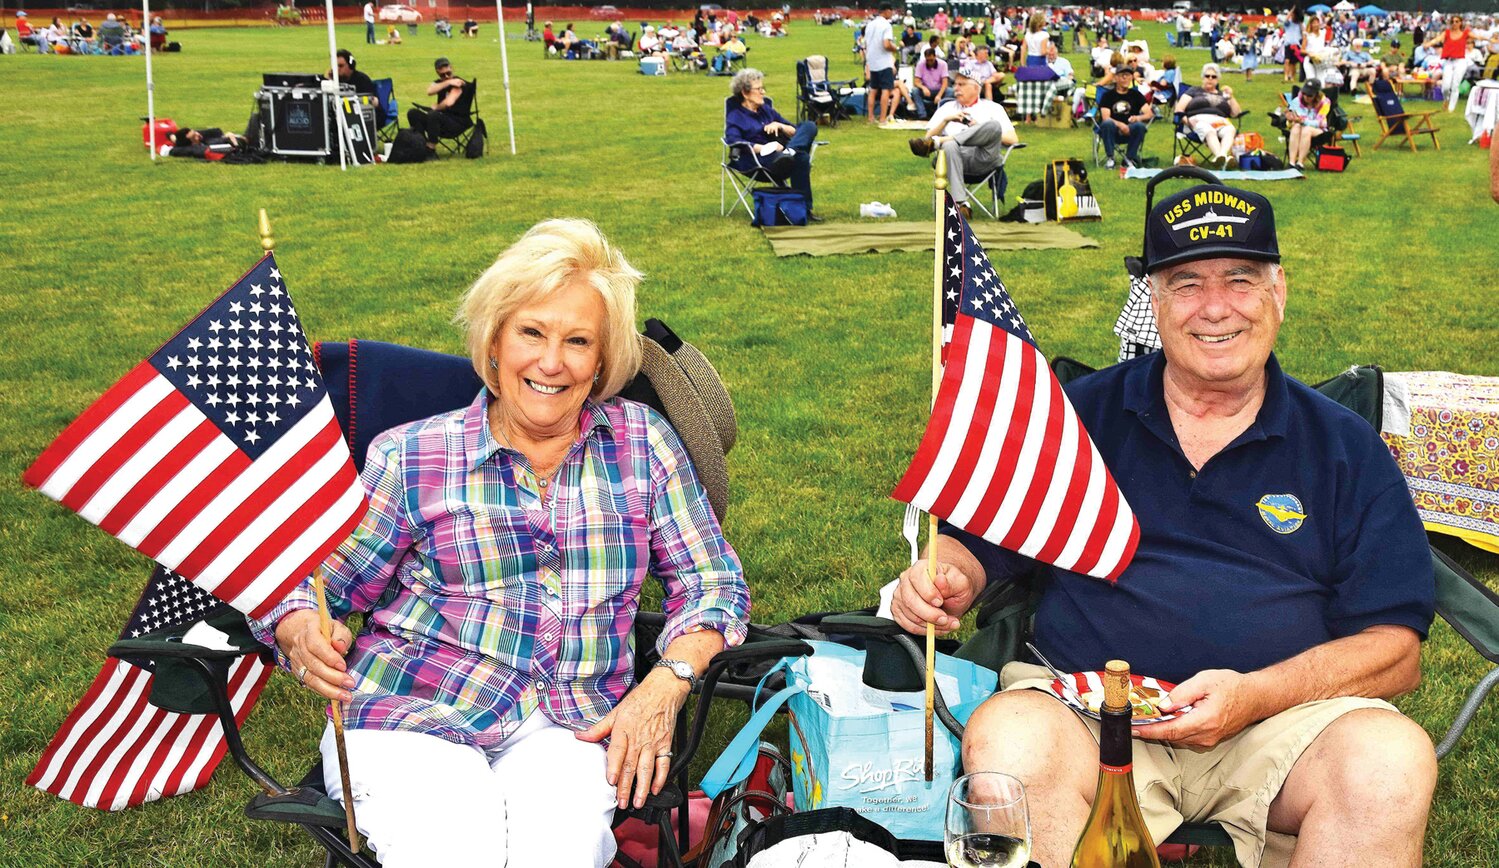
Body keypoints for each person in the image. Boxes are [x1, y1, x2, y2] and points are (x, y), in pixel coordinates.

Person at [891, 184, 1436, 868]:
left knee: (1388, 762)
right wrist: (947, 577)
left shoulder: (1342, 446)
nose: (1214, 307)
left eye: (1240, 279)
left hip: (1283, 723)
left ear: (1279, 292)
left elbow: (1394, 649)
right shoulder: (1077, 416)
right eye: (1186, 284)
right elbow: (976, 542)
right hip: (1087, 711)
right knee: (1010, 740)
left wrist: (1258, 694)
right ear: (1153, 300)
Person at [250, 219, 749, 868]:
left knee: (564, 853)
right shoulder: (415, 456)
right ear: (493, 342)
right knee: (457, 848)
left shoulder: (642, 444)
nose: (550, 362)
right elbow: (317, 583)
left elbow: (712, 584)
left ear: (603, 361)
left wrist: (666, 683)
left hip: (572, 721)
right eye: (531, 332)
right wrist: (297, 629)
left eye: (577, 341)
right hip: (412, 705)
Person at [907, 68, 1020, 220]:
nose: (956, 88)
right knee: (949, 146)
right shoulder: (947, 109)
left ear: (976, 87)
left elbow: (1013, 139)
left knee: (993, 126)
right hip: (953, 159)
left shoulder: (993, 108)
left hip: (983, 159)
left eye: (961, 84)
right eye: (955, 84)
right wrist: (946, 120)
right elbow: (926, 140)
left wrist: (978, 128)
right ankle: (961, 205)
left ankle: (941, 142)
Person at [724, 69, 822, 222]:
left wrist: (779, 126)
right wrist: (764, 148)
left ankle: (790, 152)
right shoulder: (736, 116)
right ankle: (803, 208)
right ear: (745, 92)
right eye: (759, 89)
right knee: (801, 157)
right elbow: (733, 141)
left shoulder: (766, 110)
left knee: (809, 126)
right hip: (757, 159)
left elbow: (796, 131)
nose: (763, 92)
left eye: (763, 88)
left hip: (782, 154)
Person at [1174, 62, 1242, 167]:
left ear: (1218, 79)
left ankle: (1221, 157)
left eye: (1213, 77)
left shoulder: (1222, 94)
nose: (1210, 78)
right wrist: (1187, 121)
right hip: (1198, 120)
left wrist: (1231, 97)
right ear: (1203, 77)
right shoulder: (1193, 91)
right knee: (1209, 130)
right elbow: (1179, 109)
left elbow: (1236, 113)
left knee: (1230, 129)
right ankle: (1223, 158)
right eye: (1207, 76)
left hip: (1220, 121)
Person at [407, 57, 474, 153]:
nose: (446, 76)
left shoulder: (459, 83)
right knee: (413, 113)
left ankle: (431, 148)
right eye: (443, 75)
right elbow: (430, 91)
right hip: (440, 121)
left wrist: (437, 107)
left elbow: (449, 102)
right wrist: (448, 82)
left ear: (452, 68)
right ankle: (421, 143)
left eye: (448, 73)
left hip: (457, 123)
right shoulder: (442, 82)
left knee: (433, 114)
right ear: (437, 72)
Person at [1097, 64, 1153, 169]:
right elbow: (1105, 117)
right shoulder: (1108, 96)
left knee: (1140, 126)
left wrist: (1138, 118)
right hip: (1112, 130)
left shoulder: (1136, 95)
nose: (1125, 78)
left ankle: (1129, 159)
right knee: (1107, 123)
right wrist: (1120, 125)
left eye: (1128, 75)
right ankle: (1110, 159)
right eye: (1122, 75)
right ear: (1116, 78)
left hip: (1130, 130)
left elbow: (1149, 113)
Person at [1424, 14, 1475, 112]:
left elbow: (1478, 37)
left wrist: (1490, 39)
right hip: (1449, 61)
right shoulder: (1447, 33)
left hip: (1460, 61)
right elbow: (1437, 39)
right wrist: (1428, 44)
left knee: (1455, 85)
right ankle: (1446, 99)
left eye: (1457, 21)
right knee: (1446, 87)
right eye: (1453, 22)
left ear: (1460, 23)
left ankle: (1451, 109)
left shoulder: (1465, 33)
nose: (1454, 23)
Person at [864, 4, 898, 125]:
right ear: (887, 11)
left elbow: (866, 43)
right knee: (886, 90)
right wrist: (895, 48)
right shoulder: (886, 25)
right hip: (884, 61)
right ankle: (883, 118)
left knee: (873, 89)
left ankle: (870, 117)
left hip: (872, 60)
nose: (892, 13)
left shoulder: (870, 24)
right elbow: (886, 44)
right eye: (891, 11)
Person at [1285, 78, 1329, 170]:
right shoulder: (1297, 100)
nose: (1306, 97)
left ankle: (1300, 163)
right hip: (1299, 128)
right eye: (1304, 93)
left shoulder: (1324, 102)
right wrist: (1289, 120)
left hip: (1319, 130)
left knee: (1306, 130)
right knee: (1296, 127)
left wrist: (1304, 121)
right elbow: (1290, 119)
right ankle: (1292, 162)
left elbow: (1321, 123)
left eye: (1309, 95)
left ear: (1316, 94)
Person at [913, 48, 951, 117]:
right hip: (927, 90)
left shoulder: (943, 64)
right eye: (927, 60)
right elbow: (916, 81)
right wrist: (923, 88)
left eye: (931, 60)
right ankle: (922, 114)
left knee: (950, 91)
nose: (929, 62)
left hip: (939, 89)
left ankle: (941, 113)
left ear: (935, 56)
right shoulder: (920, 64)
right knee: (915, 91)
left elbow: (945, 82)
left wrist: (939, 95)